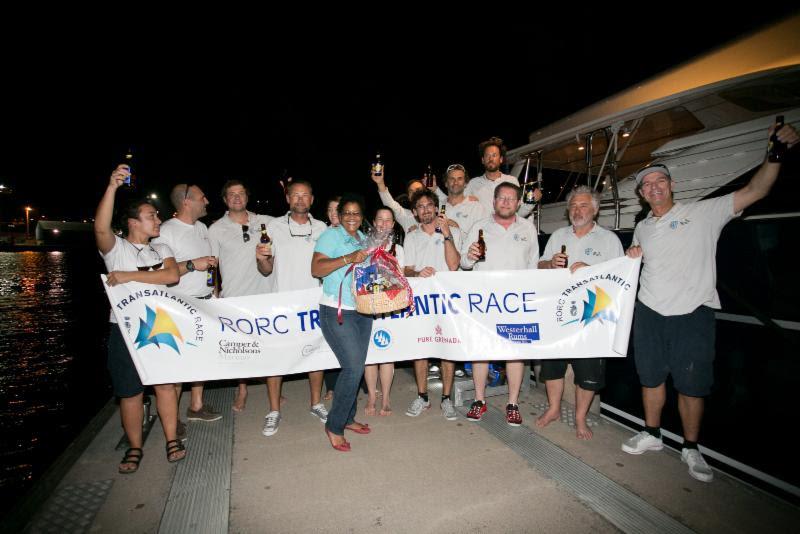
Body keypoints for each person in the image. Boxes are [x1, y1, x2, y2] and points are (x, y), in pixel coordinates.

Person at [622, 122, 799, 482]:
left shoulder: (705, 213)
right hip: (650, 312)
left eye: (660, 181)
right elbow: (640, 261)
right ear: (642, 194)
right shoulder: (643, 227)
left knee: (692, 385)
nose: (654, 187)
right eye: (647, 185)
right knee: (650, 378)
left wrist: (775, 153)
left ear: (671, 185)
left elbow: (756, 189)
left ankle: (691, 447)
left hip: (693, 313)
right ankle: (652, 434)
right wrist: (632, 253)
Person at [95, 164, 185, 473]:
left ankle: (171, 439)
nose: (158, 220)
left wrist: (126, 276)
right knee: (130, 392)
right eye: (152, 216)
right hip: (123, 329)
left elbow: (171, 275)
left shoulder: (161, 247)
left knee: (165, 385)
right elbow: (101, 229)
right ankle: (135, 447)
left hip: (157, 325)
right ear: (133, 222)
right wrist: (112, 187)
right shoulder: (115, 249)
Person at [535, 185, 623, 439]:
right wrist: (550, 263)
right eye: (573, 205)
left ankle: (580, 417)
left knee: (587, 372)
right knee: (552, 367)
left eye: (583, 205)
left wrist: (591, 269)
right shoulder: (558, 235)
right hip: (559, 313)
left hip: (592, 316)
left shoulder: (609, 240)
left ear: (595, 210)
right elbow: (539, 265)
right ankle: (553, 409)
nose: (577, 210)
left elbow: (618, 279)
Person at [461, 183, 539, 426]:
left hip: (516, 302)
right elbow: (464, 264)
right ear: (494, 202)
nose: (505, 202)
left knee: (514, 353)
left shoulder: (528, 228)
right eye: (501, 198)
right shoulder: (479, 227)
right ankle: (479, 399)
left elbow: (533, 266)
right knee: (481, 351)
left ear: (518, 203)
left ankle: (512, 403)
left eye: (510, 199)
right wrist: (470, 256)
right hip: (485, 301)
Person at [255, 180, 329, 435]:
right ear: (287, 199)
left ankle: (316, 403)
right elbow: (266, 269)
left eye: (305, 195)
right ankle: (274, 410)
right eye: (295, 195)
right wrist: (261, 258)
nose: (300, 199)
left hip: (312, 301)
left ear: (312, 199)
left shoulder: (322, 228)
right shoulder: (273, 227)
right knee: (277, 358)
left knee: (315, 354)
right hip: (281, 302)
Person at [152, 184, 222, 425]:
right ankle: (172, 420)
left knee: (200, 359)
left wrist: (215, 292)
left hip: (204, 303)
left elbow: (211, 265)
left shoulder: (203, 228)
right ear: (186, 202)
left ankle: (196, 405)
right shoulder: (166, 232)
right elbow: (161, 272)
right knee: (177, 366)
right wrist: (193, 263)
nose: (207, 201)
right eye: (202, 197)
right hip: (178, 307)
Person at [311, 193, 372, 451]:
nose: (351, 217)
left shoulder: (364, 239)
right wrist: (348, 258)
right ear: (339, 215)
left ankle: (348, 418)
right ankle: (334, 425)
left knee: (356, 367)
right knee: (353, 369)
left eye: (356, 213)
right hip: (337, 311)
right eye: (347, 212)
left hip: (362, 310)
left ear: (362, 216)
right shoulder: (331, 235)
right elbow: (317, 269)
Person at [208, 180, 274, 414]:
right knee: (241, 348)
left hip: (265, 293)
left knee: (268, 344)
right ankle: (242, 389)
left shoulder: (264, 222)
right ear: (225, 200)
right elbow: (211, 266)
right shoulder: (215, 229)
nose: (237, 198)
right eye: (231, 195)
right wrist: (214, 294)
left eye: (241, 193)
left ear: (247, 197)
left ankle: (273, 389)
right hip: (234, 296)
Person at [402, 190, 461, 421]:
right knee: (421, 348)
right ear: (415, 212)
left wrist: (446, 233)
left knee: (448, 347)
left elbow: (455, 265)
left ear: (437, 208)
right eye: (420, 206)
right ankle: (422, 395)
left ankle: (446, 399)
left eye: (429, 205)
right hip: (422, 300)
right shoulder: (412, 235)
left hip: (447, 298)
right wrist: (417, 271)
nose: (426, 209)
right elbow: (406, 269)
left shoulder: (452, 229)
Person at [363, 207, 405, 416]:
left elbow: (402, 278)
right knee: (369, 355)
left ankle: (386, 398)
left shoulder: (397, 248)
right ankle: (372, 396)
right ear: (374, 221)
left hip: (389, 308)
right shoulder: (364, 244)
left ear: (393, 224)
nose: (384, 223)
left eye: (388, 220)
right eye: (380, 219)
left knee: (387, 353)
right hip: (367, 308)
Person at [465, 136, 541, 216]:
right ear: (483, 160)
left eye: (494, 155)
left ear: (501, 159)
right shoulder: (473, 183)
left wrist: (531, 202)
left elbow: (518, 214)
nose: (491, 159)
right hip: (482, 228)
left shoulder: (511, 181)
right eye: (487, 155)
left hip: (506, 228)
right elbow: (459, 206)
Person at [432, 163, 488, 236]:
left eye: (460, 179)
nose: (455, 182)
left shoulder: (476, 207)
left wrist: (457, 228)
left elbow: (481, 237)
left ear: (465, 184)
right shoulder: (438, 207)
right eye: (452, 179)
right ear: (446, 183)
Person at [323, 196, 341, 400]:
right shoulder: (323, 234)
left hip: (349, 295)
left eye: (338, 209)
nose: (334, 213)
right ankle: (331, 386)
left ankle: (361, 383)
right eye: (330, 210)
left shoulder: (354, 234)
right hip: (329, 294)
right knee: (331, 343)